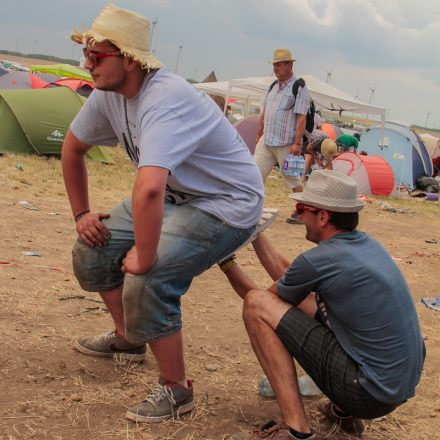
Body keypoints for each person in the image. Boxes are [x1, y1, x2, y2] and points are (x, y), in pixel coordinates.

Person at [61, 4, 264, 423]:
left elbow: (149, 188)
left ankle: (177, 391)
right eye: (86, 54)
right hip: (177, 195)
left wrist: (146, 257)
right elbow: (72, 148)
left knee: (148, 275)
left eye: (96, 56)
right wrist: (81, 212)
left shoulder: (166, 97)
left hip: (225, 202)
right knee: (91, 249)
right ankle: (129, 338)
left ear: (130, 59)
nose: (88, 64)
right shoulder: (107, 95)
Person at [220, 170, 424, 439]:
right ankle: (343, 413)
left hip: (368, 392)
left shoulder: (322, 259)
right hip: (394, 388)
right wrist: (256, 234)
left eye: (301, 209)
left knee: (257, 305)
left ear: (323, 216)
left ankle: (296, 430)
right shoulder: (364, 247)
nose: (299, 216)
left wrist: (226, 262)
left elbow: (261, 302)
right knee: (310, 302)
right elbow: (288, 275)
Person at [254, 49, 311, 224]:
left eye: (278, 64)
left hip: (286, 142)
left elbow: (301, 117)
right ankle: (252, 209)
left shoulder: (299, 87)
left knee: (292, 179)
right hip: (267, 140)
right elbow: (264, 113)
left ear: (289, 65)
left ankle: (303, 212)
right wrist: (258, 135)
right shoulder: (272, 87)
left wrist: (297, 143)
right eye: (274, 65)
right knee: (254, 174)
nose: (275, 68)